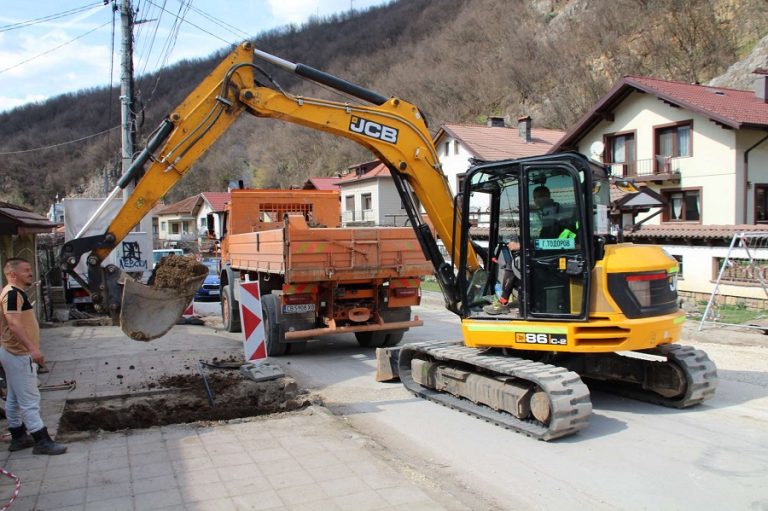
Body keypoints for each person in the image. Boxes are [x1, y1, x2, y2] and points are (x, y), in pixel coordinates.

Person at [0, 258, 66, 455]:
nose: (31, 273)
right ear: (13, 274)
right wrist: (32, 349)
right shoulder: (12, 295)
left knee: (13, 397)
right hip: (19, 354)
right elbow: (13, 324)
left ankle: (18, 436)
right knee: (30, 398)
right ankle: (42, 441)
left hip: (12, 352)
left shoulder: (13, 293)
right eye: (26, 270)